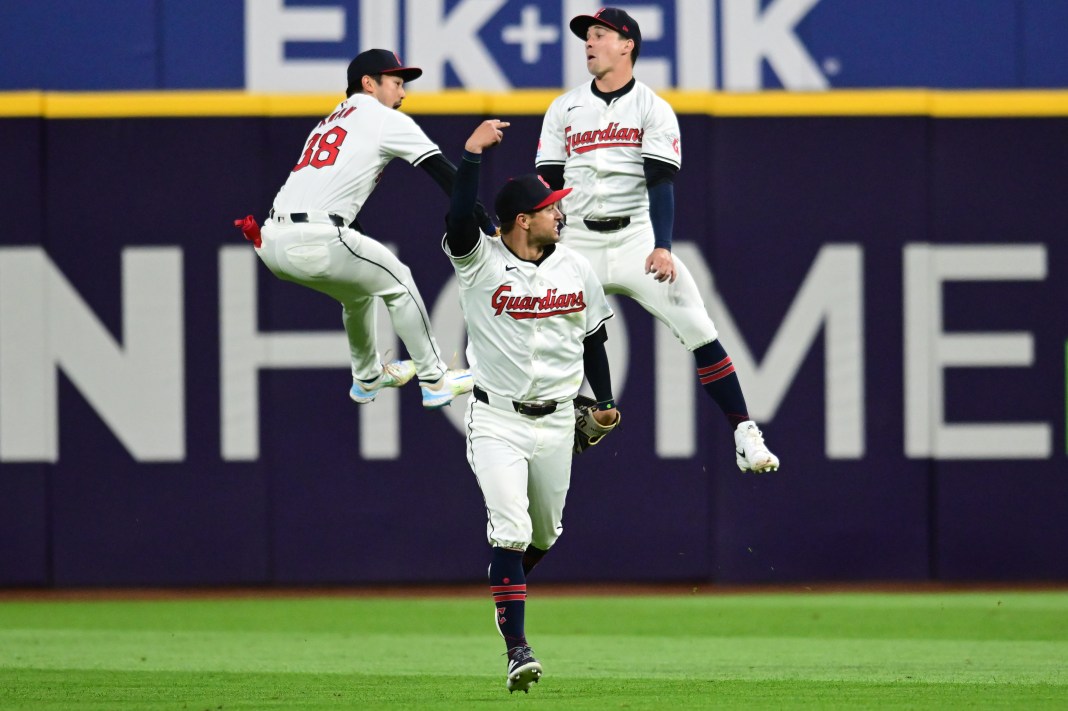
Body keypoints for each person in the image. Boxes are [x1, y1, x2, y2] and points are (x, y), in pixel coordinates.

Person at [536, 8, 780, 472]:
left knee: (699, 327)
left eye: (600, 34)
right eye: (587, 36)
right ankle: (566, 408)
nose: (589, 43)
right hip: (578, 240)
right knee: (537, 324)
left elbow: (660, 184)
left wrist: (663, 246)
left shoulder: (652, 107)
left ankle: (745, 434)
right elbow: (547, 182)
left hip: (636, 239)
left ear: (627, 44)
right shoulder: (563, 108)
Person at [444, 119, 619, 693]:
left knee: (545, 534)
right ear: (523, 220)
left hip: (558, 422)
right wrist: (470, 156)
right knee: (512, 530)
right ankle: (517, 646)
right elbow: (458, 216)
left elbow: (593, 338)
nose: (560, 214)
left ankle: (504, 588)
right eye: (550, 208)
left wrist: (606, 401)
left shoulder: (576, 267)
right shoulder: (481, 263)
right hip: (496, 418)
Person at [243, 49, 484, 409]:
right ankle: (435, 380)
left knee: (357, 294)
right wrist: (486, 221)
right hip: (315, 238)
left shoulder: (331, 120)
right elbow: (446, 174)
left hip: (272, 242)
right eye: (397, 83)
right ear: (369, 84)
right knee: (400, 281)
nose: (403, 93)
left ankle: (367, 377)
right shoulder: (382, 118)